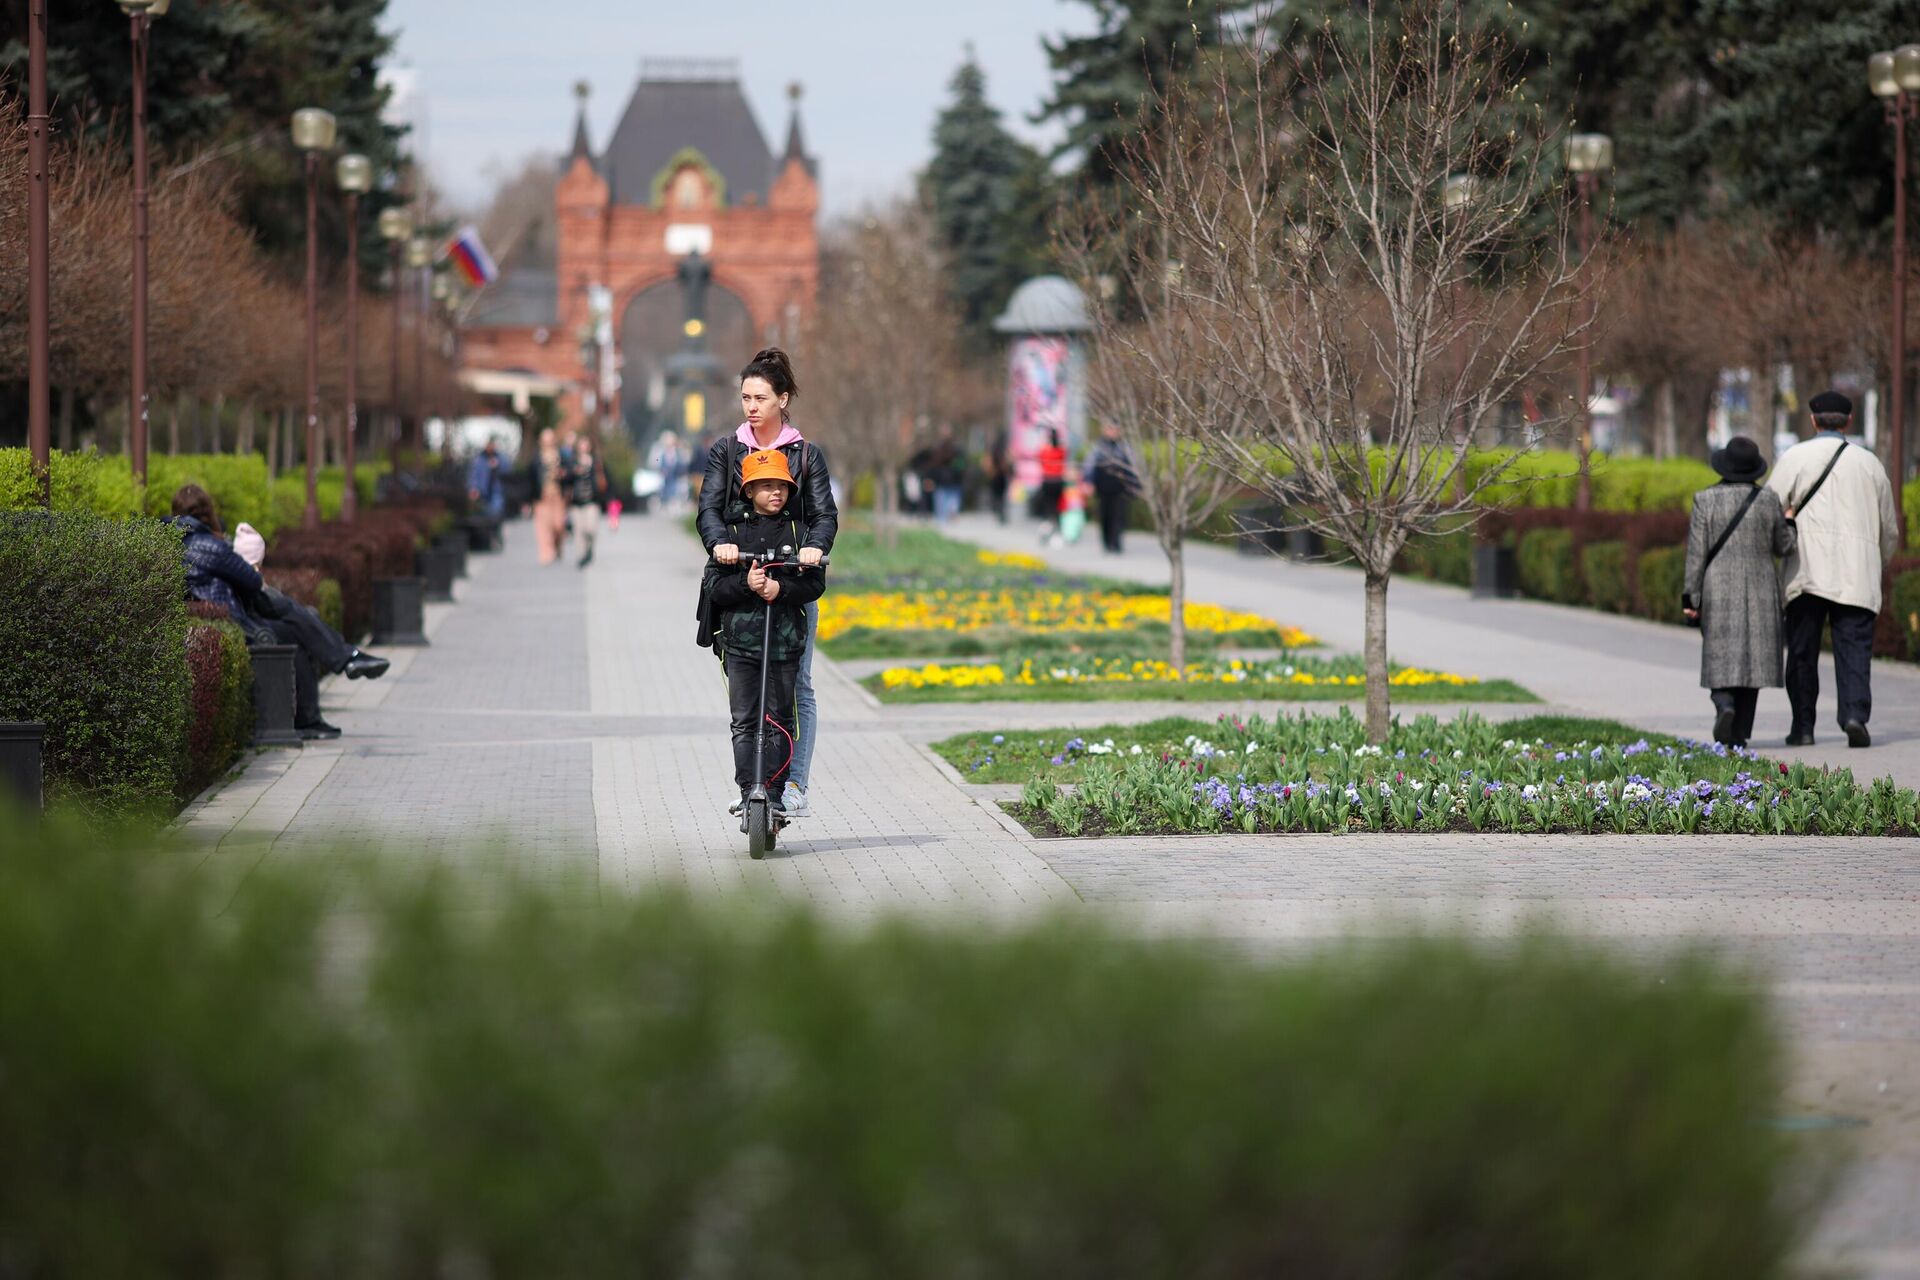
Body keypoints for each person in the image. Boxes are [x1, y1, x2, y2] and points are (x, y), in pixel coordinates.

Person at [697, 348, 838, 819]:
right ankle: (751, 784)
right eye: (745, 397)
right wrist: (719, 544)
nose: (751, 406)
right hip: (738, 581)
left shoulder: (805, 455)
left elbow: (823, 515)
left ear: (783, 398)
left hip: (791, 581)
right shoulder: (728, 451)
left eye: (760, 397)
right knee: (744, 694)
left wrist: (815, 547)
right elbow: (708, 511)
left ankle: (793, 784)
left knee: (797, 685)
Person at [167, 485, 387, 741]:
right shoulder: (207, 545)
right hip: (235, 622)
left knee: (295, 622)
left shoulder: (171, 539)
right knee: (295, 625)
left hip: (214, 618)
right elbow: (251, 579)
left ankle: (342, 667)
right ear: (208, 512)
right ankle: (341, 667)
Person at [1765, 390, 1900, 748]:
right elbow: (1889, 527)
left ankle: (1803, 726)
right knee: (1854, 648)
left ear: (1812, 420)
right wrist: (1879, 561)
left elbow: (1768, 511)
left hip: (1806, 571)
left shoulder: (1795, 457)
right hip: (1858, 572)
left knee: (1803, 651)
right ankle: (1854, 716)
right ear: (1849, 421)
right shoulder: (1869, 464)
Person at [706, 450, 827, 819]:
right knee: (744, 720)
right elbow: (715, 586)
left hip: (784, 644)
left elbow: (815, 583)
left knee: (779, 720)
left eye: (782, 486)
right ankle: (748, 790)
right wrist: (745, 581)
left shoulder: (798, 531)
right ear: (748, 490)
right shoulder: (732, 533)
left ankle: (773, 792)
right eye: (767, 486)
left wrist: (783, 588)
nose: (776, 493)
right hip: (741, 644)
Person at [1681, 436, 1795, 748]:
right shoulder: (1768, 500)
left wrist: (1691, 597)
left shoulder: (1705, 500)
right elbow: (1784, 546)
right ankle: (1740, 732)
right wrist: (1791, 524)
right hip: (1761, 587)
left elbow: (1696, 555)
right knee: (1753, 660)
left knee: (1719, 655)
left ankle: (1724, 705)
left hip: (1718, 586)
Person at [1084, 423, 1139, 553]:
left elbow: (1132, 467)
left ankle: (1116, 543)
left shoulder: (1124, 447)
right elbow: (1089, 465)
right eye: (1109, 429)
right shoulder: (1098, 447)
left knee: (1120, 516)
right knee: (1106, 516)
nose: (1112, 432)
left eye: (1115, 429)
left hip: (1120, 488)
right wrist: (1088, 482)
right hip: (1103, 488)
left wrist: (1134, 484)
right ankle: (1107, 542)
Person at [563, 434, 608, 568]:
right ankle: (582, 556)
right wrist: (573, 471)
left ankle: (589, 549)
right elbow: (566, 480)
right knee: (579, 530)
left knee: (590, 529)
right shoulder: (572, 461)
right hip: (576, 501)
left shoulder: (596, 461)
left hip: (592, 501)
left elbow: (605, 480)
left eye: (586, 444)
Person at [528, 428, 569, 565]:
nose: (548, 444)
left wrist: (564, 476)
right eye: (546, 441)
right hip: (542, 497)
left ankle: (557, 547)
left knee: (558, 525)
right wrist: (529, 500)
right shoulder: (536, 458)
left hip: (558, 496)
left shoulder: (561, 457)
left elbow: (569, 475)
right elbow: (531, 480)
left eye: (550, 441)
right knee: (543, 527)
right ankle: (546, 553)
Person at [1036, 429, 1067, 545]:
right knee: (1058, 508)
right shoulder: (1061, 450)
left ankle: (1048, 530)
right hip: (1058, 481)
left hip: (1048, 480)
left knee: (1049, 507)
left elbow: (1040, 460)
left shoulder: (1045, 450)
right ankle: (1057, 531)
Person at [466, 438, 506, 520]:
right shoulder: (479, 460)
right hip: (482, 492)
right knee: (483, 514)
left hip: (497, 491)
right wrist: (473, 488)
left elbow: (507, 471)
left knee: (496, 512)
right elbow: (474, 476)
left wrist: (497, 466)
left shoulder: (501, 458)